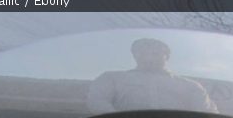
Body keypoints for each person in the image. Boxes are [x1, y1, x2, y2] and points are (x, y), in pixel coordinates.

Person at [88, 38, 217, 113]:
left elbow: (206, 116)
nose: (148, 57)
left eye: (155, 53)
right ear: (135, 56)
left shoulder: (190, 86)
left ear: (167, 56)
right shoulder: (111, 78)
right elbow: (97, 102)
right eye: (142, 52)